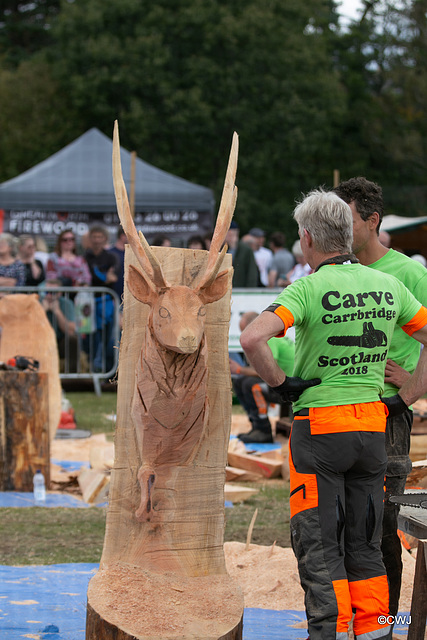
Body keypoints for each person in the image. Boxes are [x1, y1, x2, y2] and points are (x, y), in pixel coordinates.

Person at [240, 189, 427, 640]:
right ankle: (374, 632)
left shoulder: (306, 288)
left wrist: (281, 384)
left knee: (320, 543)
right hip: (372, 428)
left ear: (307, 238)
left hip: (320, 430)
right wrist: (407, 397)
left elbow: (251, 339)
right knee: (364, 542)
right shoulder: (389, 284)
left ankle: (331, 631)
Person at [334, 176, 427, 619]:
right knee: (338, 524)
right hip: (339, 413)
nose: (337, 226)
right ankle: (353, 616)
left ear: (371, 221)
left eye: (346, 218)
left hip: (387, 414)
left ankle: (386, 621)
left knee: (383, 525)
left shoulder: (409, 272)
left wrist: (409, 389)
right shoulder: (333, 269)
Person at [230, 311, 295, 443]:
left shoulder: (268, 340)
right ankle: (256, 425)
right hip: (286, 383)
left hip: (290, 388)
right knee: (240, 382)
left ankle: (263, 430)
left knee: (251, 385)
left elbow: (270, 371)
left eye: (245, 331)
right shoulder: (270, 337)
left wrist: (239, 369)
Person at [84, 225, 119, 372]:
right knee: (90, 336)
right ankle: (91, 367)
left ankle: (103, 370)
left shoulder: (111, 257)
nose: (97, 240)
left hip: (106, 302)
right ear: (90, 239)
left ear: (105, 239)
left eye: (100, 237)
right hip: (87, 303)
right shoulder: (85, 257)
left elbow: (112, 278)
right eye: (94, 237)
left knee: (106, 337)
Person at [41, 279, 79, 371]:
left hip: (60, 340)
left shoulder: (66, 303)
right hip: (41, 340)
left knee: (72, 340)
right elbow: (31, 329)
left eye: (53, 292)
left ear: (59, 293)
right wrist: (42, 311)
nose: (49, 295)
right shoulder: (37, 301)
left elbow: (70, 330)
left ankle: (72, 375)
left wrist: (57, 312)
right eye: (47, 292)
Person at [225, 221, 260, 287]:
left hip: (240, 289)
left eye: (230, 234)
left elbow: (252, 273)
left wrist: (249, 291)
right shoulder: (221, 249)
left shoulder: (246, 250)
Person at [108, 228, 127, 302]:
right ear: (122, 236)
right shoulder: (110, 253)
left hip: (128, 296)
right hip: (113, 296)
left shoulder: (132, 254)